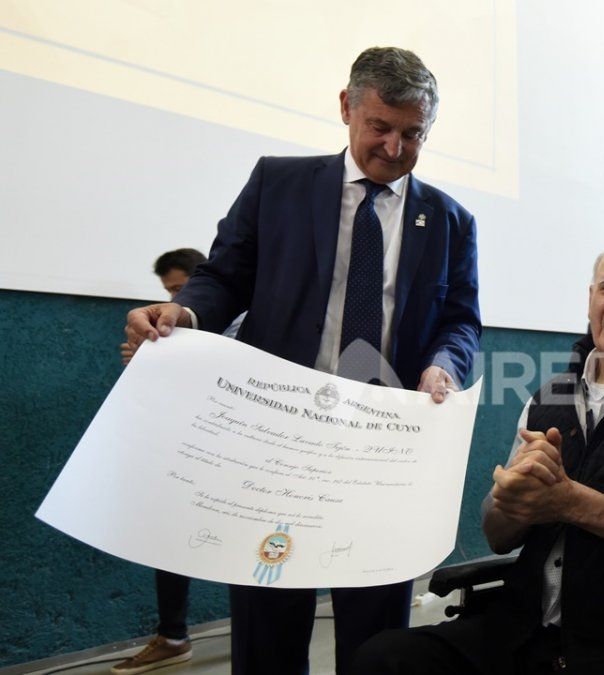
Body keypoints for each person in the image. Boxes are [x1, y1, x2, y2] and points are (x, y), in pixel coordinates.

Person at [123, 47, 482, 674]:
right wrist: (186, 313)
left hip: (379, 448)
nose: (395, 149)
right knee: (268, 625)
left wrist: (446, 363)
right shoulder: (278, 184)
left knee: (376, 637)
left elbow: (461, 321)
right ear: (347, 107)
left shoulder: (451, 220)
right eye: (380, 127)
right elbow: (223, 277)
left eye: (412, 134)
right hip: (276, 443)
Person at [352, 241, 604, 674]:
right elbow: (498, 536)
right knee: (381, 659)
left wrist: (571, 502)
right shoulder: (547, 400)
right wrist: (515, 500)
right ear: (591, 300)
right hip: (518, 632)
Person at [113, 248, 243, 673]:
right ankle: (172, 635)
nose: (170, 299)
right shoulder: (169, 331)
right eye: (166, 291)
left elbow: (241, 378)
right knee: (170, 537)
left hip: (241, 452)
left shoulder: (243, 317)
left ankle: (255, 636)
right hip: (191, 444)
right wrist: (148, 362)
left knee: (243, 545)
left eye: (177, 289)